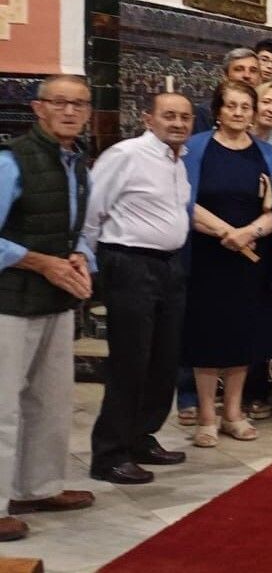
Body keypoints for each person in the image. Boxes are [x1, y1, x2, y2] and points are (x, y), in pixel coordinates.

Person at [0, 76, 97, 540]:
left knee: (50, 399)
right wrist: (38, 262)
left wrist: (80, 256)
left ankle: (38, 486)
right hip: (9, 301)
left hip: (54, 298)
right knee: (3, 406)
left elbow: (79, 226)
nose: (69, 111)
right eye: (60, 102)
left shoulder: (77, 163)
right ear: (39, 109)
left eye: (79, 104)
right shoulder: (11, 161)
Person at [83, 93, 194, 486]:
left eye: (185, 117)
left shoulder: (178, 162)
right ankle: (110, 453)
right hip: (129, 264)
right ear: (149, 118)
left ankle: (141, 437)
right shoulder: (126, 155)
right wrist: (91, 266)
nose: (178, 123)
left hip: (168, 266)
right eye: (169, 116)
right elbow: (92, 210)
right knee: (130, 361)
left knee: (163, 360)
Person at [182, 81, 272, 447]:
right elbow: (182, 200)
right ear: (217, 110)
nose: (239, 113)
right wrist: (225, 231)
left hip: (250, 258)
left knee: (243, 334)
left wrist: (250, 231)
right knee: (207, 335)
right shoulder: (196, 149)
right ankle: (207, 417)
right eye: (231, 106)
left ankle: (232, 412)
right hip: (207, 255)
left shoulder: (266, 153)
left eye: (245, 106)